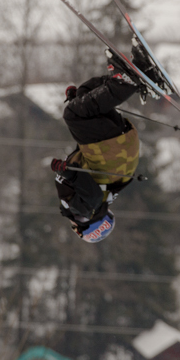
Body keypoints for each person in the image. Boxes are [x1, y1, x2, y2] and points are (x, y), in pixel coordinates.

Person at [49, 49, 150, 245]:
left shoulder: (103, 200)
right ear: (85, 226)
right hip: (109, 149)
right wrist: (68, 174)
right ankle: (127, 82)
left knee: (83, 97)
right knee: (72, 115)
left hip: (121, 146)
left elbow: (83, 156)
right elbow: (91, 194)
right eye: (76, 229)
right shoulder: (84, 210)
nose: (73, 225)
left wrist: (76, 101)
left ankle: (130, 76)